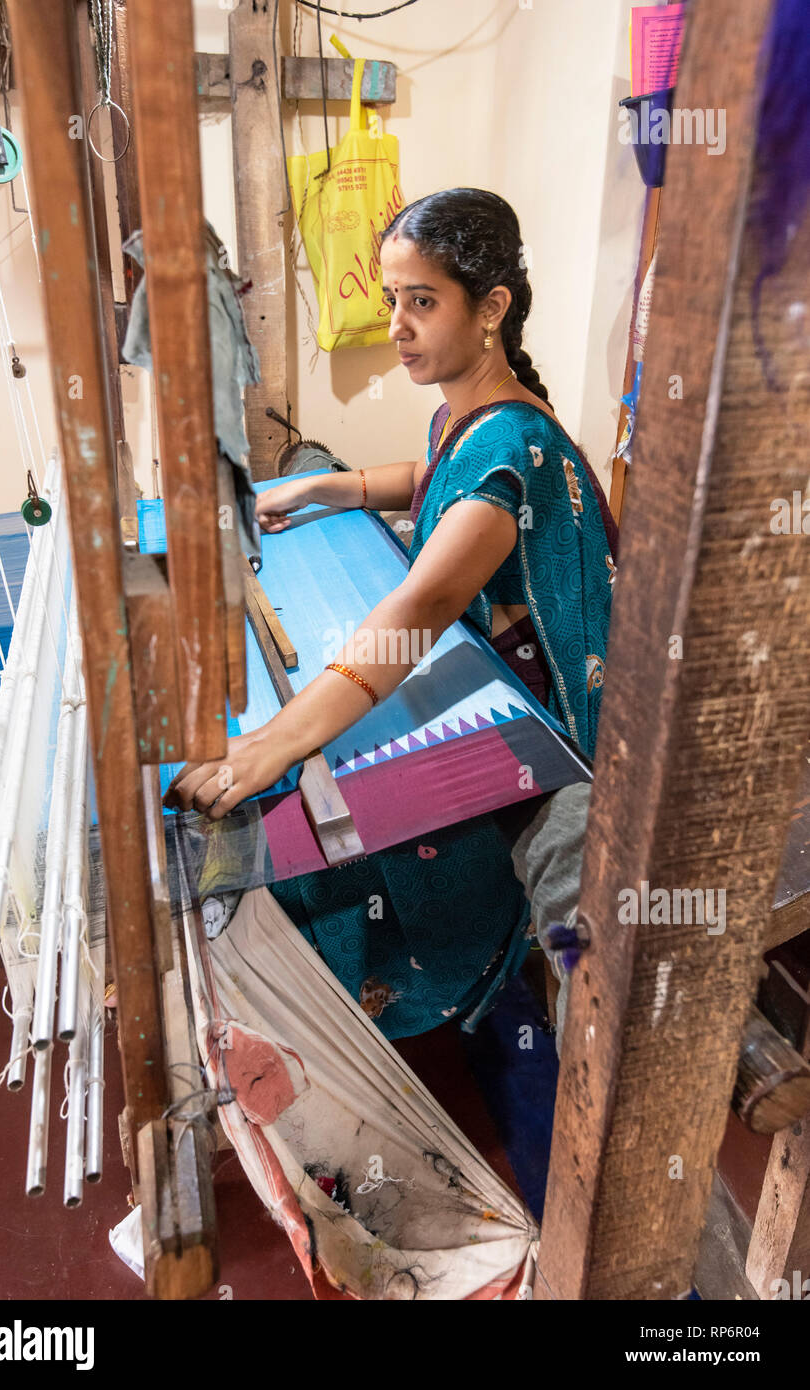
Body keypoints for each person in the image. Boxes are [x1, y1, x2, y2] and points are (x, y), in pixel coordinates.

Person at [164, 188, 617, 1041]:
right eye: (390, 302)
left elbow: (421, 607)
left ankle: (329, 1016)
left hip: (552, 734)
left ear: (490, 308)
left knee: (323, 823)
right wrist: (333, 484)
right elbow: (433, 470)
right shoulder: (474, 413)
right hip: (497, 669)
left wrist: (275, 740)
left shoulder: (512, 446)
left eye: (421, 302)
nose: (397, 326)